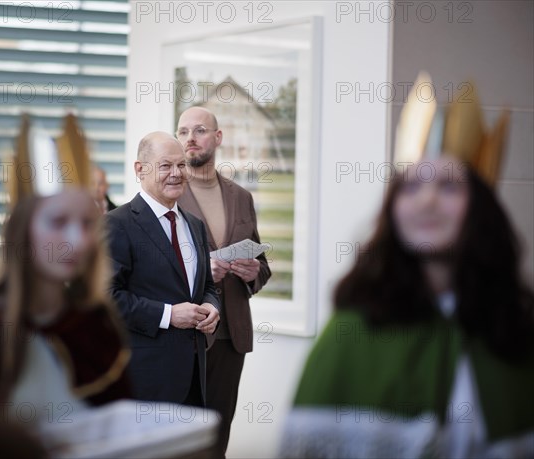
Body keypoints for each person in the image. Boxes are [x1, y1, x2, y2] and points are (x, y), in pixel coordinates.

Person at [281, 74, 534, 458]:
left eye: (449, 187)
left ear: (481, 208)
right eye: (411, 187)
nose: (426, 202)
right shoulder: (352, 332)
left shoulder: (515, 330)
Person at [0, 115, 132, 429]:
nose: (77, 241)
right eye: (57, 222)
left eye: (86, 224)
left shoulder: (96, 325)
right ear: (22, 231)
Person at [176, 107, 272, 456]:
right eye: (183, 131)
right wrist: (203, 271)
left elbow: (262, 267)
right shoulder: (169, 195)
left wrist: (252, 273)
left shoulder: (241, 197)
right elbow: (156, 269)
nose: (190, 138)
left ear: (217, 138)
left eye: (199, 130)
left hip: (231, 335)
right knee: (180, 434)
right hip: (186, 334)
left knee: (218, 433)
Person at [106, 131, 221, 407]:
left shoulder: (195, 225)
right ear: (140, 169)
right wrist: (168, 315)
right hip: (146, 380)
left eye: (181, 165)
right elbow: (107, 298)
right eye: (165, 165)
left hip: (195, 374)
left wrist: (212, 305)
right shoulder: (117, 224)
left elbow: (206, 286)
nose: (176, 173)